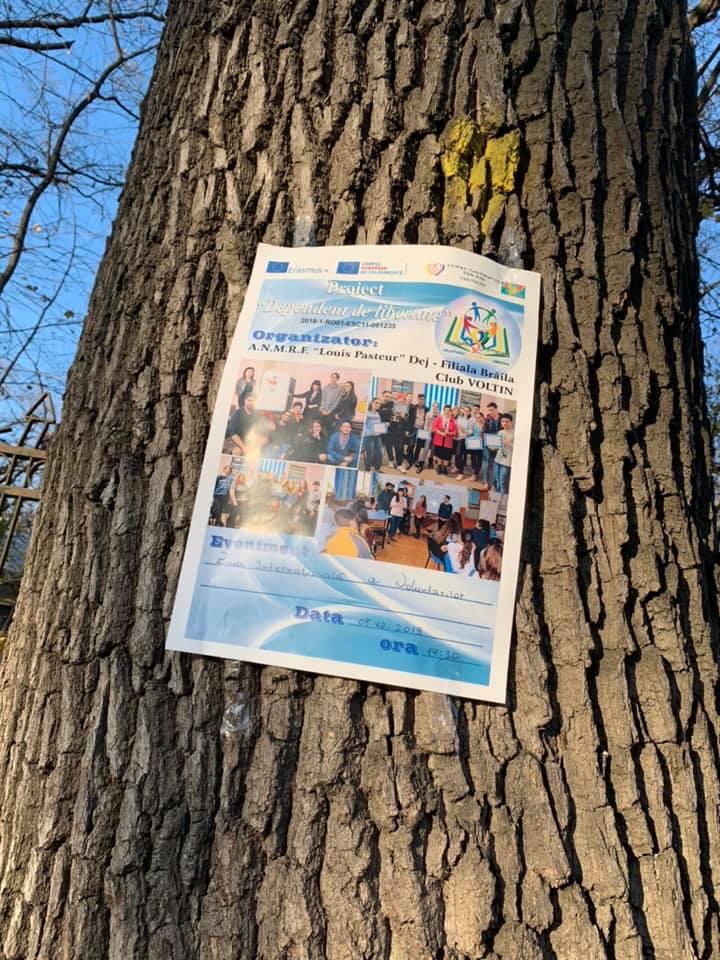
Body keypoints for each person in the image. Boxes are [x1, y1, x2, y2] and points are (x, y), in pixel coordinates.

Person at [431, 404, 458, 475]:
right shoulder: (439, 418)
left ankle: (445, 467)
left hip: (448, 441)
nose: (447, 412)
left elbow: (455, 432)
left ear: (450, 411)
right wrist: (440, 432)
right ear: (443, 411)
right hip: (439, 439)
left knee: (447, 455)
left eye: (449, 410)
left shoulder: (453, 420)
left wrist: (449, 433)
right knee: (439, 453)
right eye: (446, 410)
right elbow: (434, 428)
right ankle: (439, 466)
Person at [493, 413, 514, 494]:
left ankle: (502, 498)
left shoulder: (514, 433)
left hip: (506, 462)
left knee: (503, 481)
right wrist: (493, 446)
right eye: (503, 421)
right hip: (497, 459)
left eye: (507, 421)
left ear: (511, 422)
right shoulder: (500, 432)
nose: (504, 423)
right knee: (497, 480)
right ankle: (497, 496)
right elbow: (497, 446)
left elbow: (518, 448)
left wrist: (508, 443)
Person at [415, 402, 438, 473]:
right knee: (426, 448)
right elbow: (426, 424)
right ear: (432, 406)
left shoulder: (439, 414)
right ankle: (421, 463)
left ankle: (430, 461)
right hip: (428, 433)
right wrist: (425, 434)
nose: (435, 407)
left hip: (436, 434)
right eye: (434, 406)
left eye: (436, 406)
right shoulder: (428, 413)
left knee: (433, 449)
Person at [362, 399, 385, 470]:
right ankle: (367, 469)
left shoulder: (377, 414)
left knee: (380, 454)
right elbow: (364, 426)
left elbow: (378, 425)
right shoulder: (366, 413)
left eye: (379, 403)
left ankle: (377, 469)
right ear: (371, 403)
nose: (378, 405)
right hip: (368, 437)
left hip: (377, 437)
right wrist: (371, 432)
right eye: (376, 403)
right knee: (370, 454)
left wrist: (382, 429)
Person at [482, 402, 501, 483]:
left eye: (491, 410)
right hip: (487, 443)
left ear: (496, 409)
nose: (490, 412)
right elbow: (483, 432)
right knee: (486, 462)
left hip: (499, 444)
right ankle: (485, 481)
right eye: (489, 410)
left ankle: (493, 482)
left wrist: (497, 445)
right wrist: (488, 444)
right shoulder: (487, 419)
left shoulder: (503, 418)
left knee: (494, 463)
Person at [454, 405, 474, 479]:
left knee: (459, 454)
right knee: (456, 455)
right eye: (465, 410)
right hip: (456, 438)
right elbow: (455, 426)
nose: (466, 412)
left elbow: (471, 432)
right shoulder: (459, 418)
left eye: (467, 411)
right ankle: (457, 467)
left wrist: (464, 430)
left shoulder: (471, 420)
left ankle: (461, 473)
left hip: (463, 439)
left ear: (469, 412)